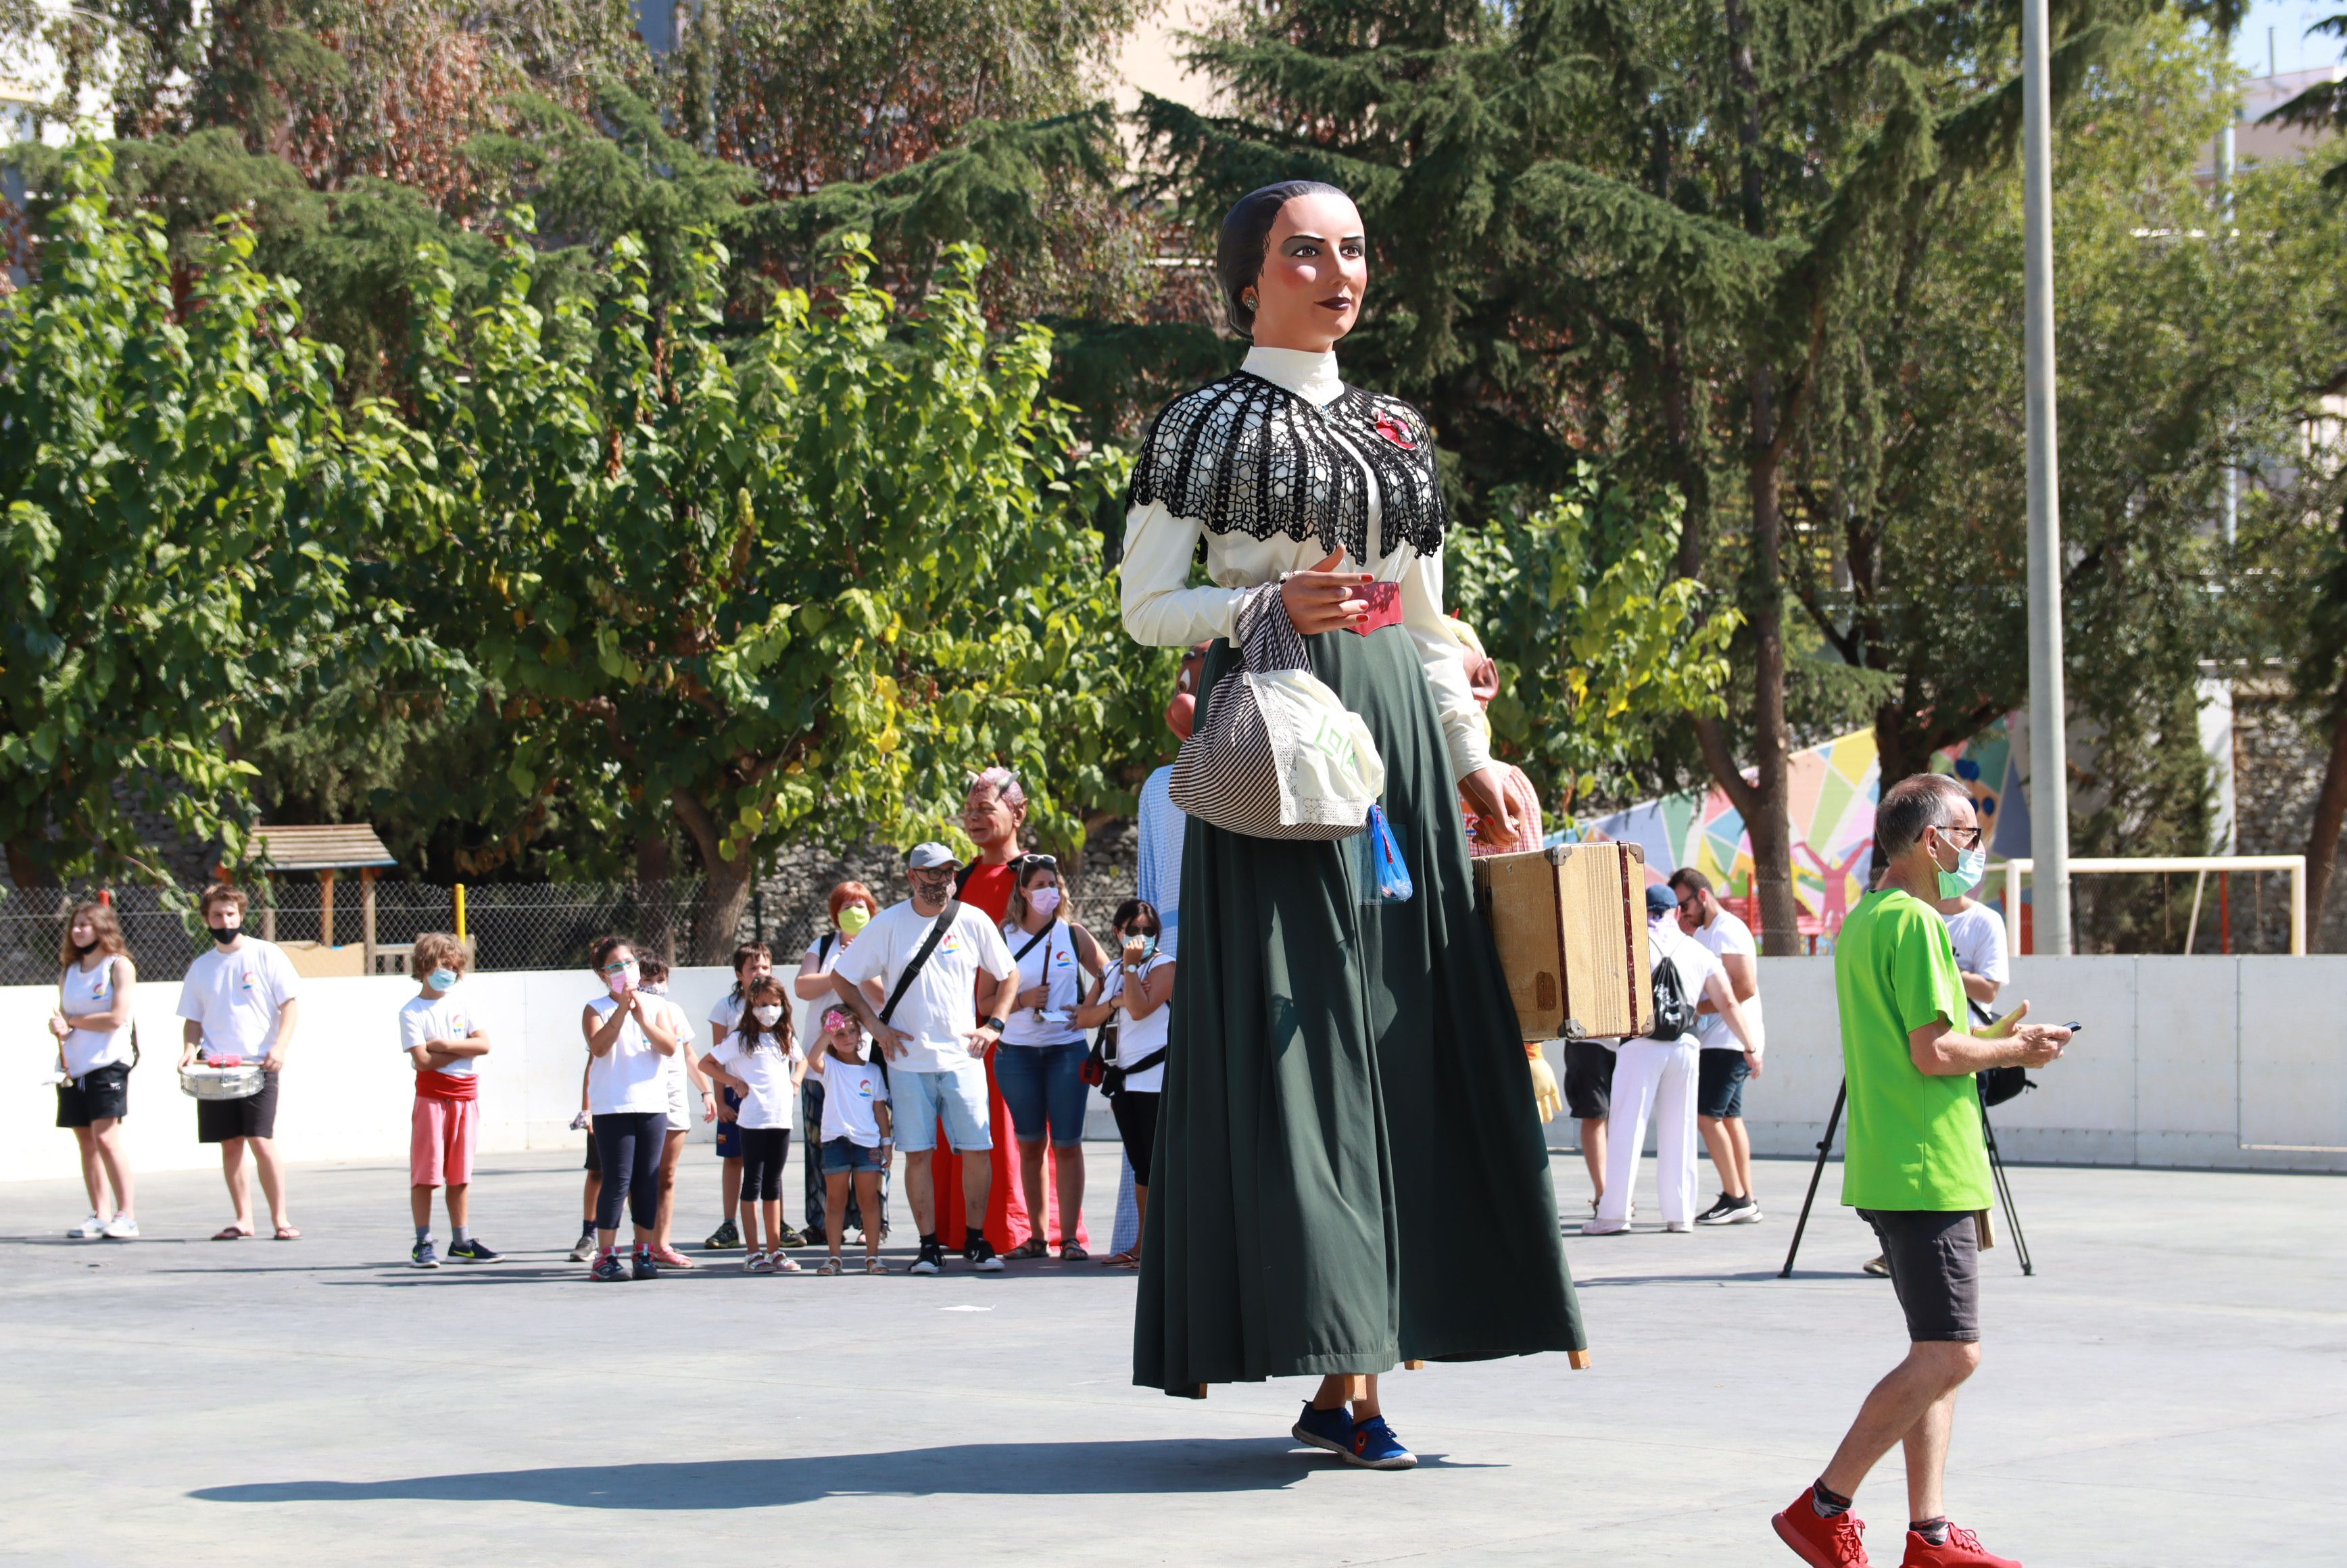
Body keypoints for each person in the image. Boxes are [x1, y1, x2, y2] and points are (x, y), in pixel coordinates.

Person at [1119, 178, 1587, 1466]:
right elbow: (1146, 607)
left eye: (1354, 250)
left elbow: (1429, 625)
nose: (1339, 272)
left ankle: (1355, 1371)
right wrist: (1261, 610)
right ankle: (1345, 1364)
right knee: (1302, 1051)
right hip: (1277, 742)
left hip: (1395, 747)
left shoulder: (1394, 428)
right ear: (1249, 275)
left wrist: (1476, 754)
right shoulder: (1200, 426)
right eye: (1306, 251)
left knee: (1404, 1032)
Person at [1772, 773, 2070, 1568]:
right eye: (1967, 833)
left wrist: (1997, 1043)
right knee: (1952, 1354)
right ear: (1928, 840)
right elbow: (1935, 1052)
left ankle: (1929, 1533)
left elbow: (1919, 1047)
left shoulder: (1868, 919)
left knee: (1933, 1349)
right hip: (1925, 1164)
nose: (1974, 848)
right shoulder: (1919, 926)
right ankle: (1823, 1505)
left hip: (1897, 1158)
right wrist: (2018, 1048)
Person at [829, 841, 1019, 1276]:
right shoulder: (888, 923)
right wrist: (875, 1026)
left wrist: (995, 1026)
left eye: (950, 873)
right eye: (933, 874)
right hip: (907, 1061)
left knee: (976, 1150)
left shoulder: (973, 920)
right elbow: (843, 976)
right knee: (918, 1154)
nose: (943, 881)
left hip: (963, 1058)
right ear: (913, 877)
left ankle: (976, 1240)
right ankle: (928, 1246)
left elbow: (1009, 974)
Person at [936, 766, 1081, 1255]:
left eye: (985, 808)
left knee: (1026, 1136)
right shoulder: (958, 881)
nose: (973, 818)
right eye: (969, 810)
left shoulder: (1034, 877)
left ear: (1017, 813)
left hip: (1022, 1035)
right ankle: (968, 1228)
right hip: (961, 1034)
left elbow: (1067, 942)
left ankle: (1029, 1230)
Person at [1584, 885, 1760, 1235]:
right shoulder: (1697, 950)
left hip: (1640, 1045)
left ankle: (1614, 1214)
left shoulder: (1628, 947)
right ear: (1675, 913)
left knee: (1626, 1129)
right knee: (1680, 1131)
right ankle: (1680, 1215)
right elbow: (1727, 1002)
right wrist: (1750, 1046)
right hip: (1685, 1046)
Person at [1117, 646, 1207, 1258]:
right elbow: (1150, 883)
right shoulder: (1157, 786)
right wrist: (1143, 951)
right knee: (1150, 1105)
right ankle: (1147, 1235)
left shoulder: (1241, 768)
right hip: (1171, 952)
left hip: (1212, 949)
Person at [995, 854, 1107, 1260]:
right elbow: (984, 1000)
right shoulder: (1002, 937)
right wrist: (1022, 1000)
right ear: (1022, 891)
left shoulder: (1072, 934)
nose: (1049, 892)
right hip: (1017, 1053)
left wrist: (1088, 1009)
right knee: (1030, 1144)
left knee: (1068, 1144)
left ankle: (1071, 1237)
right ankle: (1037, 1237)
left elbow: (1108, 974)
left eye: (1053, 884)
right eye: (1040, 885)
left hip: (1065, 1050)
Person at [176, 883, 301, 1241]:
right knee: (230, 1144)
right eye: (217, 914)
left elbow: (289, 1005)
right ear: (207, 919)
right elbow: (193, 1019)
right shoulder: (201, 967)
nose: (225, 919)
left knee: (260, 1139)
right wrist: (189, 1048)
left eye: (231, 913)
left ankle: (281, 1220)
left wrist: (280, 1047)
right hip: (217, 1068)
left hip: (259, 1066)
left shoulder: (266, 954)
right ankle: (243, 1219)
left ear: (241, 915)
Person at [1076, 899, 1174, 1269]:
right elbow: (1084, 1018)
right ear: (1118, 933)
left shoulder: (1164, 966)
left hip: (1156, 1080)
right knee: (1141, 1165)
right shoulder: (1112, 970)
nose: (1142, 937)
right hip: (1123, 1083)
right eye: (1134, 931)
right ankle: (1143, 1243)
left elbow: (1140, 1009)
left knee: (1156, 1164)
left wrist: (1131, 975)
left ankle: (1156, 1246)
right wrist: (1116, 995)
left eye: (1149, 931)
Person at [1670, 868, 1768, 1225]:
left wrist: (1698, 1008)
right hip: (1724, 1040)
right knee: (1728, 1118)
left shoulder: (1728, 930)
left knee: (1706, 1117)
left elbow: (1743, 988)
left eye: (1685, 905)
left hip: (1728, 1041)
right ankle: (1747, 1196)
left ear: (1703, 896)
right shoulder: (1708, 933)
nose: (1683, 913)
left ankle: (1736, 1197)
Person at [581, 935, 679, 1281]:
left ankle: (643, 1252)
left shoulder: (657, 1007)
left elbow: (669, 1047)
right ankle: (605, 1255)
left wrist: (641, 1018)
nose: (626, 970)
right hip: (613, 1107)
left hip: (652, 1105)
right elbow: (599, 1048)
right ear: (604, 974)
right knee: (617, 1179)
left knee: (647, 1180)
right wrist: (622, 1010)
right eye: (616, 966)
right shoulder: (596, 1008)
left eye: (629, 962)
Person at [794, 887, 888, 1246]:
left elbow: (883, 996)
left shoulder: (879, 945)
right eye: (847, 906)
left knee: (872, 1142)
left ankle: (873, 1221)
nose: (854, 910)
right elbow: (803, 986)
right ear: (836, 913)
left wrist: (859, 969)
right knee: (820, 1142)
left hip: (864, 1062)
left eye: (860, 905)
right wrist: (842, 970)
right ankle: (820, 1220)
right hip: (821, 1064)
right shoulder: (821, 947)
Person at [400, 932, 498, 1267]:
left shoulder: (463, 1004)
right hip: (432, 1098)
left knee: (460, 1174)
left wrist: (444, 1046)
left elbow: (483, 1045)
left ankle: (462, 1241)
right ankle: (423, 1241)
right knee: (427, 1174)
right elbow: (424, 1063)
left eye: (455, 968)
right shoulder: (412, 1012)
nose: (450, 973)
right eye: (444, 965)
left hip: (465, 1097)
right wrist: (459, 1051)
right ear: (425, 965)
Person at [48, 900, 138, 1240]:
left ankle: (127, 1215)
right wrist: (60, 1027)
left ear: (102, 928)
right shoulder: (68, 972)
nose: (78, 930)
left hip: (108, 1064)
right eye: (75, 925)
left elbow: (116, 1019)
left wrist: (71, 1021)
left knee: (106, 1138)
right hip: (74, 1068)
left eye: (85, 924)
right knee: (86, 1142)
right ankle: (99, 1213)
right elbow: (67, 1021)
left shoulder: (119, 966)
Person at [702, 975, 804, 1273]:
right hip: (753, 1122)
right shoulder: (739, 1039)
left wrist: (796, 1079)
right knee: (753, 1184)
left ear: (783, 1006)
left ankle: (775, 1250)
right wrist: (734, 1082)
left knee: (774, 1184)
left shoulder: (785, 1037)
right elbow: (706, 1063)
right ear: (752, 1006)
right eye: (761, 1005)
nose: (768, 1011)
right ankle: (752, 1251)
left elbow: (803, 1060)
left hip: (781, 1120)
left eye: (774, 1005)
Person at [635, 958, 714, 1269]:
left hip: (674, 1100)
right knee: (642, 1175)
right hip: (643, 1098)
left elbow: (689, 1055)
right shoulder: (630, 1011)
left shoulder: (674, 1011)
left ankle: (661, 1244)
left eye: (660, 979)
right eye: (647, 978)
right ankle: (643, 1240)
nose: (654, 985)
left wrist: (706, 1091)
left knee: (666, 1176)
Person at [808, 1005, 894, 1276]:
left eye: (852, 1031)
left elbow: (880, 1109)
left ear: (861, 1034)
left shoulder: (873, 1071)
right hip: (836, 1142)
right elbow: (813, 1057)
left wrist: (887, 1142)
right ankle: (834, 1257)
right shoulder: (830, 1067)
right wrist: (828, 1029)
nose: (846, 1038)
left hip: (868, 1144)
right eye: (839, 1033)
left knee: (869, 1200)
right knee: (835, 1201)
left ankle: (873, 1256)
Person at [700, 943, 768, 1252]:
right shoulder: (725, 1008)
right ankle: (730, 1223)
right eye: (753, 968)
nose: (760, 973)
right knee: (735, 1159)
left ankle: (773, 1221)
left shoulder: (775, 1005)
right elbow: (716, 1060)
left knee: (769, 1160)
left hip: (766, 1096)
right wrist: (722, 1100)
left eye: (765, 967)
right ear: (739, 974)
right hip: (734, 1093)